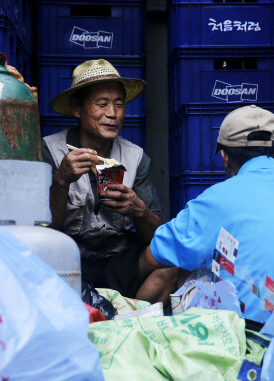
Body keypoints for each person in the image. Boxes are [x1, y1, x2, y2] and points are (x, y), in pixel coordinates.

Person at [139, 104, 274, 322]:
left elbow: (154, 256)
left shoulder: (216, 199)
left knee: (174, 270)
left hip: (251, 332)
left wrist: (129, 276)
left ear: (225, 157)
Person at [41, 58, 177, 303]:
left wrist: (139, 210)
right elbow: (45, 231)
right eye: (102, 104)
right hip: (69, 258)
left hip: (117, 258)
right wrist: (61, 181)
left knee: (170, 264)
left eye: (119, 104)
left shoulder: (135, 157)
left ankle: (131, 322)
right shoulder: (51, 150)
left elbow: (156, 237)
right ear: (77, 108)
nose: (112, 114)